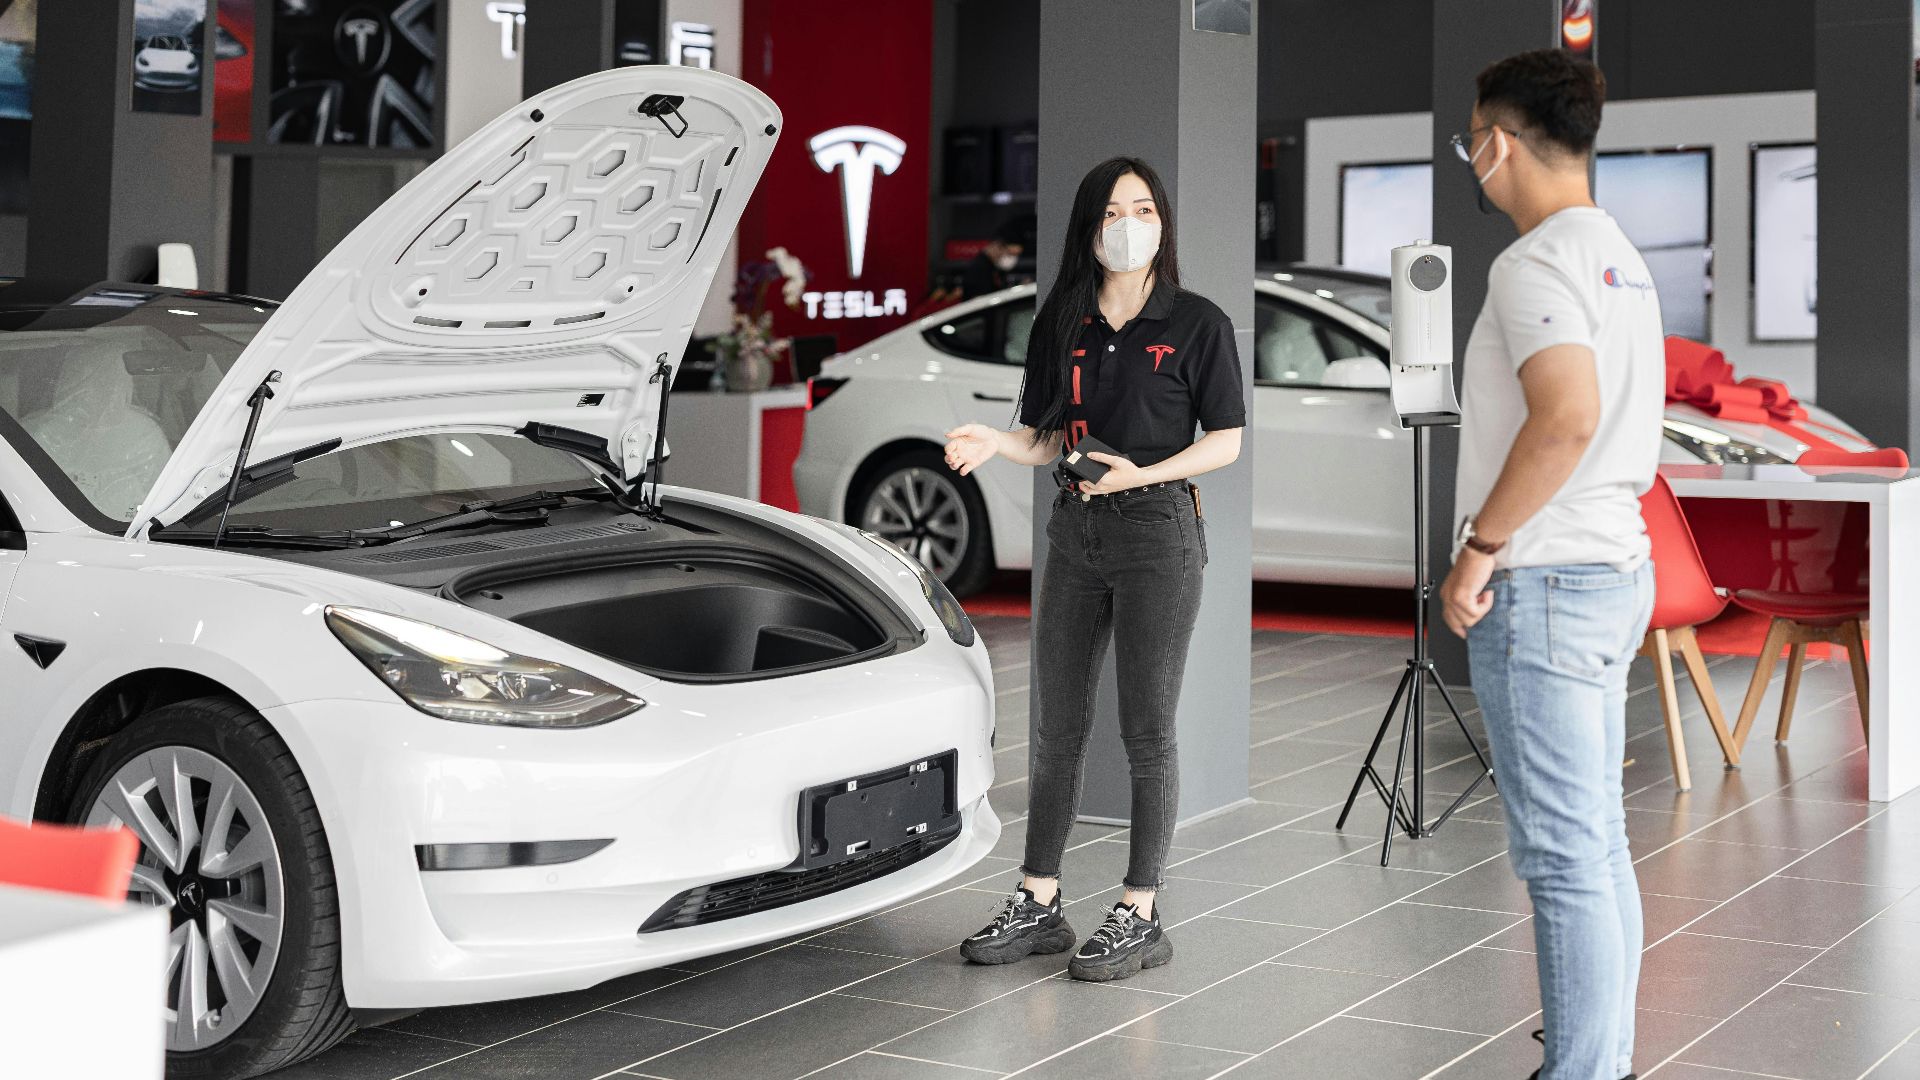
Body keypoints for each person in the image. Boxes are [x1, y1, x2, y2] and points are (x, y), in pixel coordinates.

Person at [942, 157, 1244, 983]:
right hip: (1074, 534)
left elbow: (1227, 440)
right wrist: (995, 441)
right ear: (1089, 227)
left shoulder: (1198, 324)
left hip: (1158, 535)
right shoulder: (1064, 321)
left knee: (1146, 730)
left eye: (1143, 208)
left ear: (1162, 224)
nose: (1129, 223)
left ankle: (1141, 908)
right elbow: (1047, 437)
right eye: (1113, 210)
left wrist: (1140, 476)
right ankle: (1038, 900)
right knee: (1058, 728)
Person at [1436, 50, 1663, 1080]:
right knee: (1597, 844)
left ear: (1500, 141)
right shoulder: (1619, 252)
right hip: (1614, 569)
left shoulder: (1533, 264)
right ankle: (1600, 1061)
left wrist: (1478, 552)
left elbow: (1564, 419)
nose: (1471, 158)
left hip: (1549, 582)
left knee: (1564, 860)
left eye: (1473, 138)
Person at [959, 217, 1028, 299]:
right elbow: (980, 303)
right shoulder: (979, 269)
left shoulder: (993, 268)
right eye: (1010, 254)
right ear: (997, 246)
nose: (1012, 259)